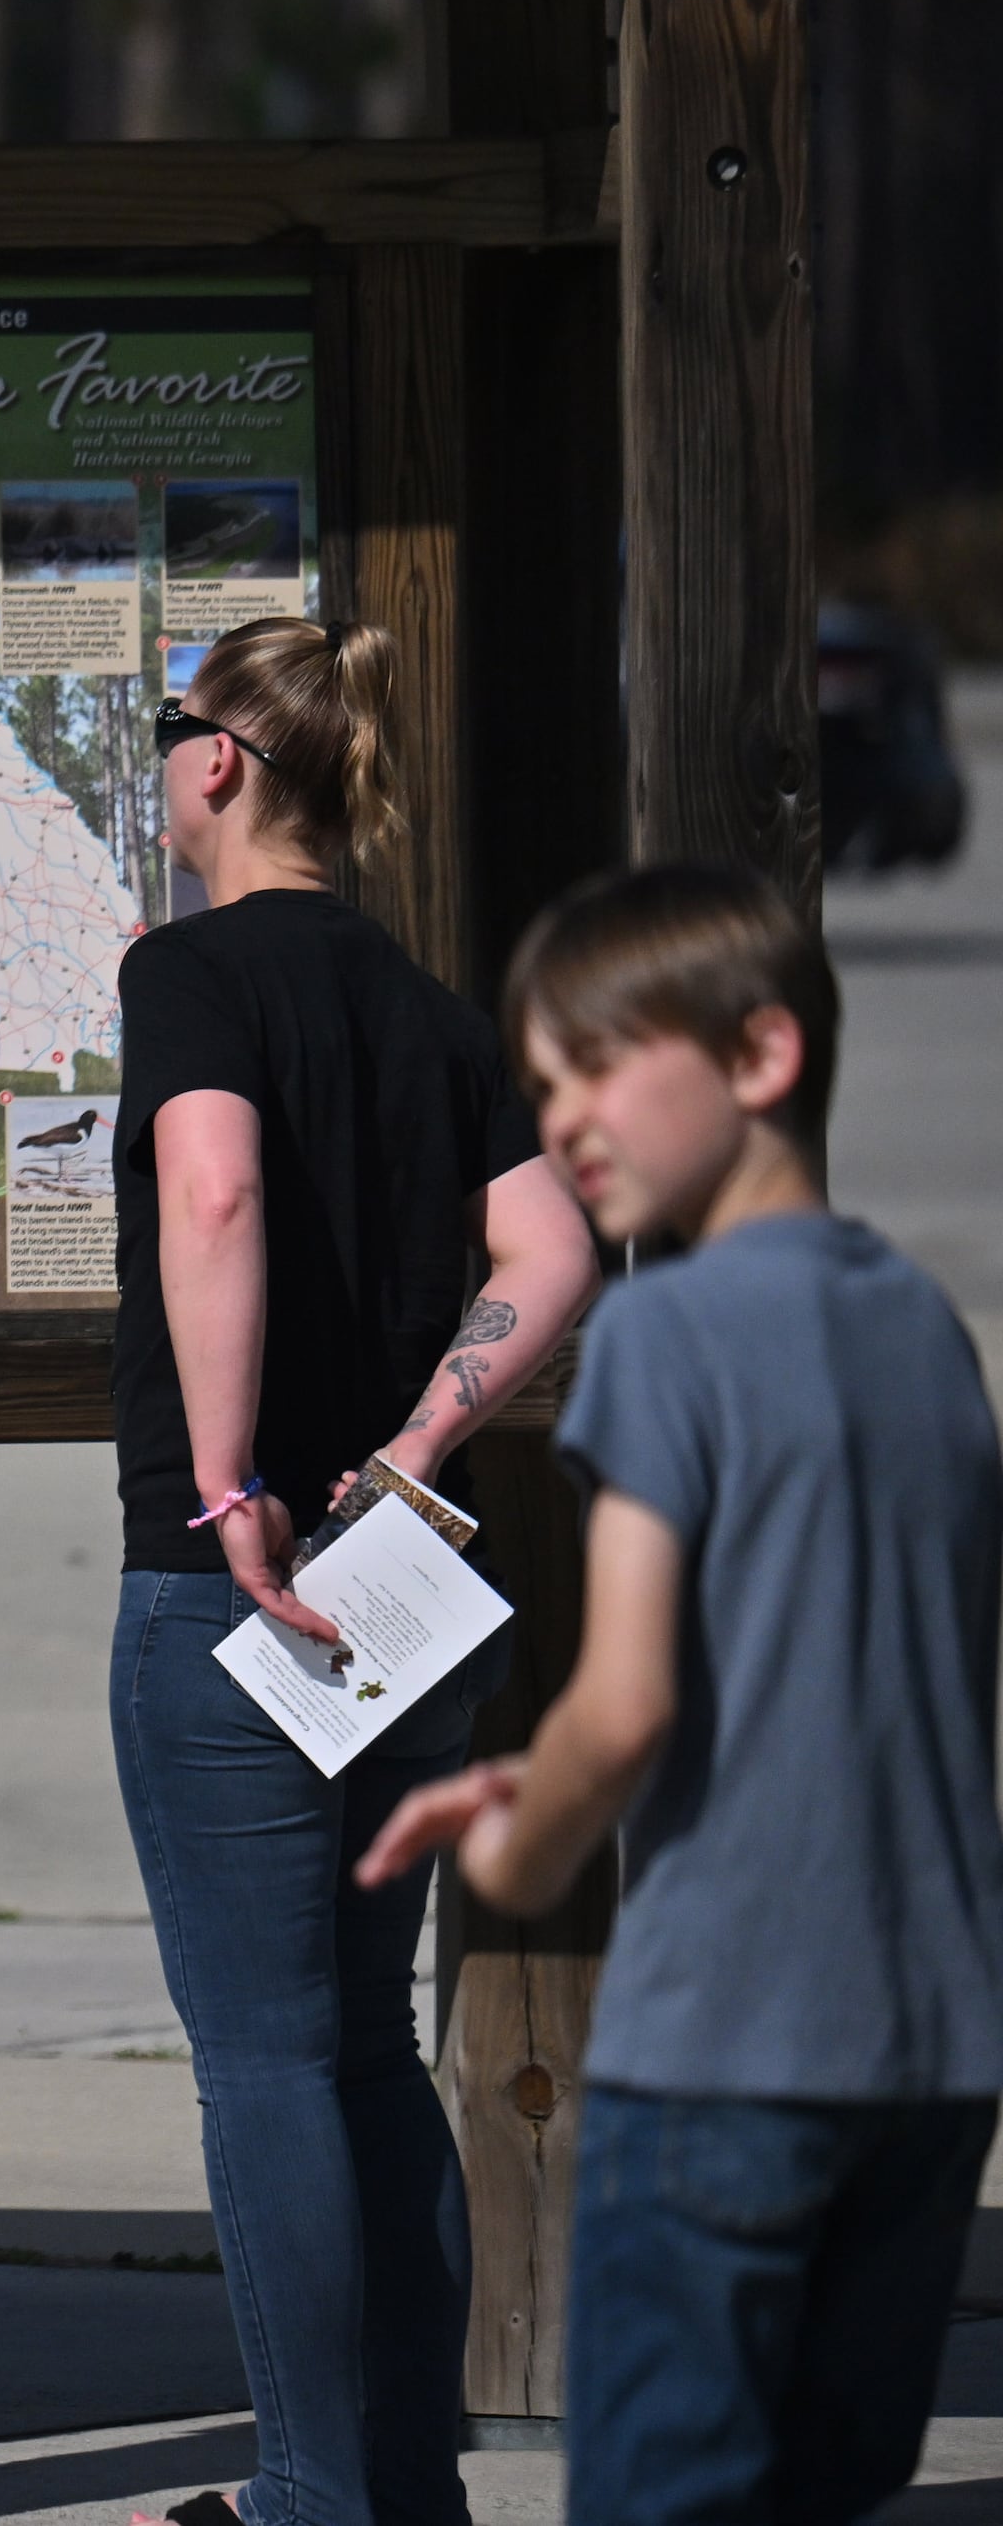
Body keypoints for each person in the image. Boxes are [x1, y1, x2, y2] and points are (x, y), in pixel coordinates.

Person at [362, 865, 1003, 2526]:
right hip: (929, 2058)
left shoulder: (670, 1337)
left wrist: (519, 1842)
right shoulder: (926, 1332)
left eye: (597, 1064)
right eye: (545, 1079)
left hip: (727, 2046)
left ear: (762, 1053)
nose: (564, 1113)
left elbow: (629, 1698)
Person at [108, 615, 598, 2526]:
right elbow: (550, 1257)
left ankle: (314, 2501)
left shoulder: (193, 976)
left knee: (264, 2065)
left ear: (221, 761)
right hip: (399, 1589)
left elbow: (211, 1187)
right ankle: (403, 2488)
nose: (161, 772)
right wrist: (407, 1452)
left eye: (166, 740)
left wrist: (235, 1487)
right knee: (368, 2047)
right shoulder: (431, 1007)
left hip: (231, 1591)